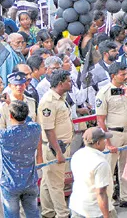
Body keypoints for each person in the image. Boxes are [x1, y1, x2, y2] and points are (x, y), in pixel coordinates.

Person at [0, 96, 42, 218]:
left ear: (10, 116)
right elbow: (29, 120)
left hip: (10, 184)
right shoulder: (35, 129)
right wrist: (14, 105)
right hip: (30, 182)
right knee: (33, 214)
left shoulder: (4, 135)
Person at [95, 62, 127, 209]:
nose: (126, 76)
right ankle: (109, 203)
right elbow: (100, 119)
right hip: (113, 134)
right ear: (113, 76)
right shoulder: (104, 92)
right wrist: (107, 142)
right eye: (123, 74)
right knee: (109, 169)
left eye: (126, 74)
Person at [37, 70, 74, 218]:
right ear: (60, 83)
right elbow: (48, 129)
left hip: (61, 145)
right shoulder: (48, 101)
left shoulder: (61, 98)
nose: (71, 83)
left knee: (48, 182)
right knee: (57, 183)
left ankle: (48, 212)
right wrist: (58, 152)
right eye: (68, 81)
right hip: (55, 147)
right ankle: (62, 214)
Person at [69, 127, 116, 218]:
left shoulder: (77, 154)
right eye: (104, 140)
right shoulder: (100, 163)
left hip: (77, 206)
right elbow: (101, 193)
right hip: (95, 211)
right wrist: (106, 216)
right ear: (98, 143)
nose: (106, 142)